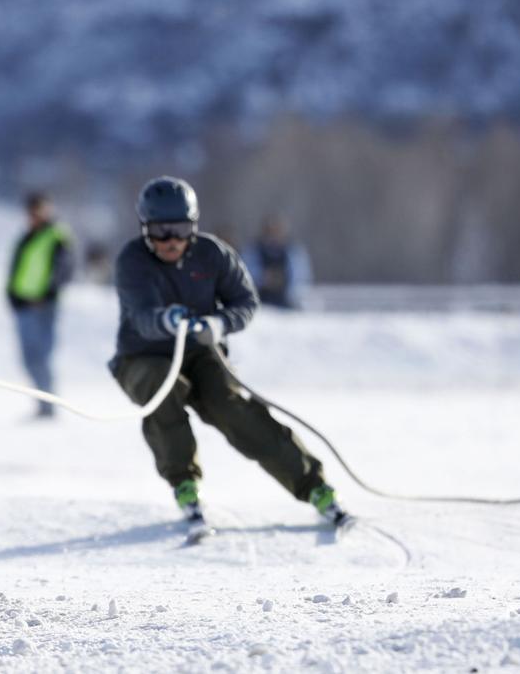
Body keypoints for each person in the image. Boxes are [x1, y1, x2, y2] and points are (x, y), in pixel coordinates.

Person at [108, 177, 348, 530]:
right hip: (142, 356)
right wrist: (167, 319)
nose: (170, 241)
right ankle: (185, 484)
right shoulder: (132, 261)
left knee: (233, 407)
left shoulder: (214, 254)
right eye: (160, 232)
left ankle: (314, 487)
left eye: (179, 229)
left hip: (203, 351)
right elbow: (141, 316)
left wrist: (219, 324)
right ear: (145, 229)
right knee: (163, 389)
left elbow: (245, 302)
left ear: (194, 226)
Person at [6, 192, 73, 418]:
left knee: (41, 357)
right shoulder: (26, 238)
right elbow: (17, 269)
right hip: (24, 305)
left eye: (38, 210)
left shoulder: (56, 236)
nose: (34, 215)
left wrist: (47, 294)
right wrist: (12, 296)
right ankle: (42, 402)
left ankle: (48, 404)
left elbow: (64, 269)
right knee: (29, 358)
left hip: (43, 306)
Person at [243, 213, 312, 309]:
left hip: (286, 306)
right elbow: (245, 276)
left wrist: (283, 280)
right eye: (270, 231)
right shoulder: (253, 251)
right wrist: (264, 278)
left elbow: (300, 280)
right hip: (259, 305)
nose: (274, 235)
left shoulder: (293, 252)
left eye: (277, 230)